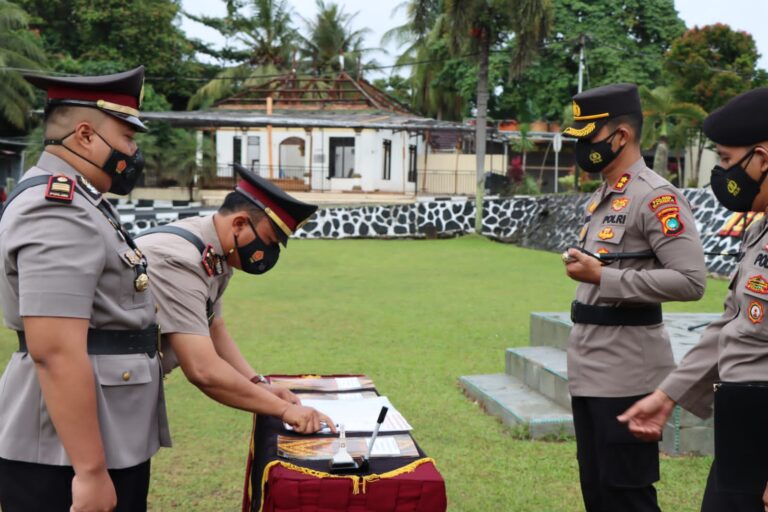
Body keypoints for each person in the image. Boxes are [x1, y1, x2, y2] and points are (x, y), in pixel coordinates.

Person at [0, 66, 170, 512]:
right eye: (127, 138)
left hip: (101, 435)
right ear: (85, 136)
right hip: (65, 454)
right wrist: (90, 471)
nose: (133, 152)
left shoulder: (84, 202)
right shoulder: (57, 209)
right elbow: (54, 350)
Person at [619, 87, 768, 512]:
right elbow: (733, 325)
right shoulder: (760, 229)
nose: (721, 172)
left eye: (726, 159)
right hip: (742, 427)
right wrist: (668, 395)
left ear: (762, 158)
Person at [561, 83, 707, 512]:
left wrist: (602, 276)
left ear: (620, 136)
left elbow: (690, 280)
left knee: (626, 497)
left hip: (627, 373)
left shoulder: (656, 197)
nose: (582, 148)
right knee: (598, 492)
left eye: (588, 137)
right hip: (590, 365)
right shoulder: (606, 195)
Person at [135, 164, 334, 434]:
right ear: (239, 224)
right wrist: (285, 410)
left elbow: (214, 326)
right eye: (269, 241)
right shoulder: (180, 259)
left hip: (131, 384)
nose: (270, 252)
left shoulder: (217, 249)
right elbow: (203, 370)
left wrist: (257, 383)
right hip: (104, 389)